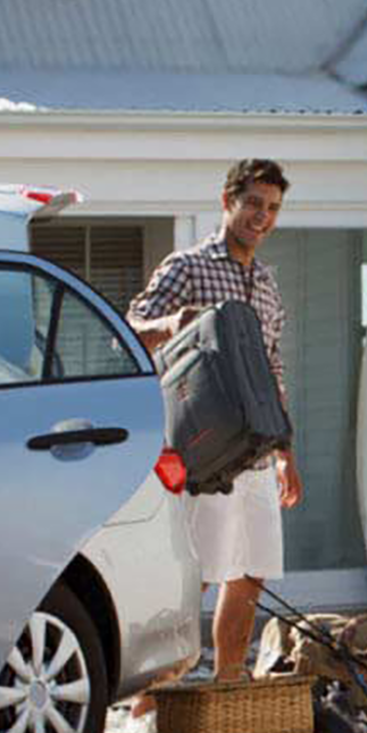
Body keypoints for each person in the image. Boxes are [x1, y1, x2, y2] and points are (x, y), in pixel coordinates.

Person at [128, 158, 303, 689]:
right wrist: (170, 323)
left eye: (272, 208)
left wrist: (287, 454)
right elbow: (130, 326)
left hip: (258, 451)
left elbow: (273, 370)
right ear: (228, 201)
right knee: (196, 575)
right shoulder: (187, 267)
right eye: (253, 204)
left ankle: (229, 679)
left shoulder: (269, 286)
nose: (262, 217)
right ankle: (152, 692)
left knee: (252, 570)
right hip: (205, 452)